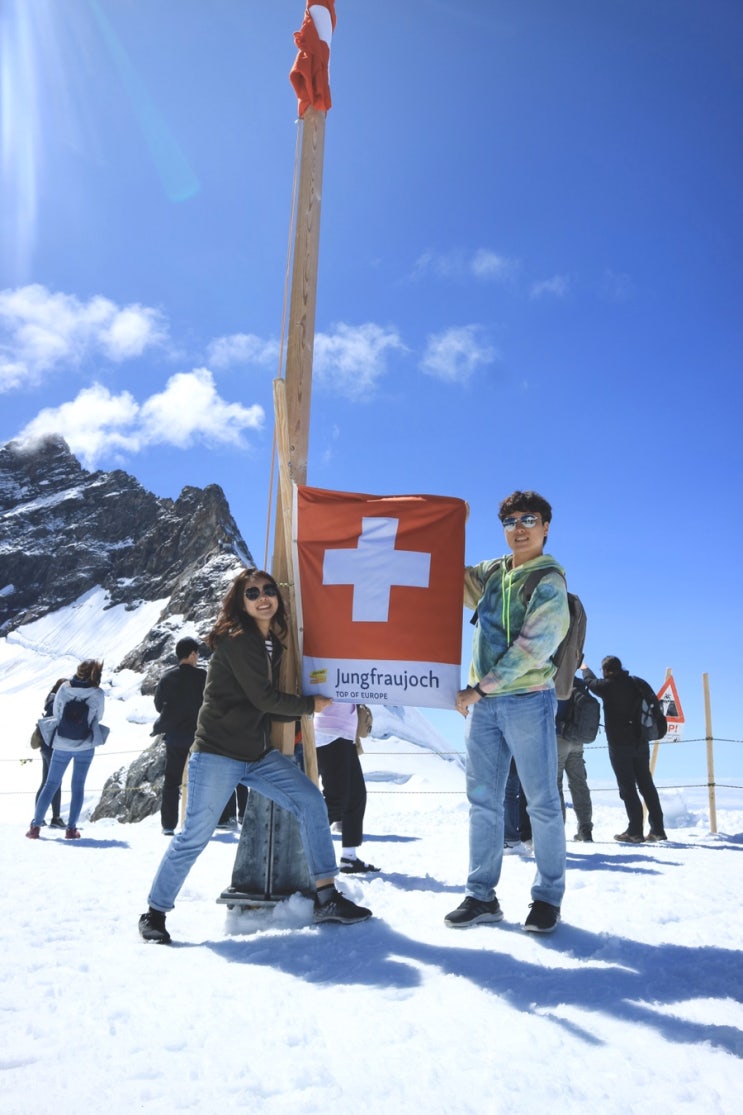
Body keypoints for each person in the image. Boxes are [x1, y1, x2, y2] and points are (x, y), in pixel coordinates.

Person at [138, 569, 372, 944]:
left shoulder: (271, 645)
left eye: (268, 591)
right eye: (252, 593)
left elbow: (265, 703)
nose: (263, 597)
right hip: (216, 754)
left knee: (311, 801)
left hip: (256, 754)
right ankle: (154, 912)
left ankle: (327, 896)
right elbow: (263, 699)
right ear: (241, 602)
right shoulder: (237, 641)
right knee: (194, 836)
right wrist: (309, 705)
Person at [445, 491, 570, 934]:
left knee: (542, 803)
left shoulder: (549, 582)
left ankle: (547, 899)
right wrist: (448, 527)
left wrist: (480, 688)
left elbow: (533, 649)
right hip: (483, 708)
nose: (519, 528)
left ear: (546, 526)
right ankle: (481, 896)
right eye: (511, 521)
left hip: (527, 701)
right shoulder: (494, 572)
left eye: (529, 519)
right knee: (483, 802)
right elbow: (449, 578)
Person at [581, 656, 667, 843]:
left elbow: (590, 682)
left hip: (620, 746)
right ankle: (658, 829)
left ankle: (635, 831)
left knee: (627, 787)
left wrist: (584, 667)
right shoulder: (637, 683)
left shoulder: (607, 687)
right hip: (641, 742)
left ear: (605, 670)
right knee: (647, 785)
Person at [26, 660, 106, 840]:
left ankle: (35, 827)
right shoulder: (97, 693)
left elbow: (57, 712)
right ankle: (71, 829)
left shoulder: (64, 688)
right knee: (78, 786)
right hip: (85, 744)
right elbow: (98, 716)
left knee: (51, 784)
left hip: (62, 743)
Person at [314, 702, 379, 874]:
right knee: (336, 799)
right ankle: (299, 850)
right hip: (330, 733)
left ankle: (349, 858)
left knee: (356, 796)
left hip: (345, 735)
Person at [153, 637, 207, 836]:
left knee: (172, 780)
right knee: (200, 780)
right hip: (199, 736)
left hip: (175, 736)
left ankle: (168, 824)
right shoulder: (203, 677)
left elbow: (159, 705)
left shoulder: (167, 678)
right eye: (197, 653)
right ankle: (197, 824)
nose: (198, 657)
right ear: (192, 654)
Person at [556, 678, 594, 841]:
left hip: (559, 737)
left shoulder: (555, 680)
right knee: (579, 783)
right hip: (577, 739)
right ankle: (585, 829)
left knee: (555, 784)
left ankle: (557, 829)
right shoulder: (579, 684)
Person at [35, 678, 68, 829]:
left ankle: (39, 817)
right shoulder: (56, 702)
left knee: (45, 782)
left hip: (45, 745)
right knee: (56, 783)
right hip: (53, 746)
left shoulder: (50, 700)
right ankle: (55, 817)